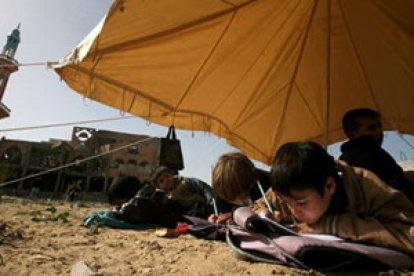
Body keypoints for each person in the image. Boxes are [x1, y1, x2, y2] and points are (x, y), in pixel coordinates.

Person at [264, 141, 414, 256]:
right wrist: (264, 214)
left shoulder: (366, 187)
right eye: (287, 203)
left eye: (301, 203)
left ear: (329, 186)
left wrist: (333, 225)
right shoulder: (289, 188)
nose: (294, 211)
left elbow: (408, 235)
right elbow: (261, 205)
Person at [340, 108, 414, 201]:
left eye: (379, 127)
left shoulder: (346, 158)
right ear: (352, 135)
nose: (379, 132)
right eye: (371, 128)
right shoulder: (371, 155)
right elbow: (395, 187)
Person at [210, 152, 270, 223]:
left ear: (249, 183)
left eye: (235, 194)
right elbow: (222, 214)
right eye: (228, 198)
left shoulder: (269, 184)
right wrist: (216, 219)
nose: (234, 201)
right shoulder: (222, 190)